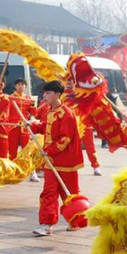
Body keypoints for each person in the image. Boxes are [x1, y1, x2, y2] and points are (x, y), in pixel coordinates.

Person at [29, 80, 83, 236]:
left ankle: (75, 221)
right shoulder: (47, 111)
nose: (44, 96)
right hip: (50, 161)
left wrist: (49, 150)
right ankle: (46, 224)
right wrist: (31, 125)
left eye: (48, 93)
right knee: (48, 192)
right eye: (44, 93)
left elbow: (65, 139)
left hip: (65, 161)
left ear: (57, 95)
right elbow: (45, 126)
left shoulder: (66, 114)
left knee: (69, 193)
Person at [8, 78, 40, 181]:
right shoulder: (10, 98)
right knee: (12, 151)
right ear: (15, 86)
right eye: (18, 85)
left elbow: (34, 113)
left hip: (24, 128)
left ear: (25, 87)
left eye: (22, 85)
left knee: (27, 150)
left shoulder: (28, 98)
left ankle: (32, 172)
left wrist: (32, 104)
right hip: (13, 127)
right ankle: (12, 172)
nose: (20, 86)